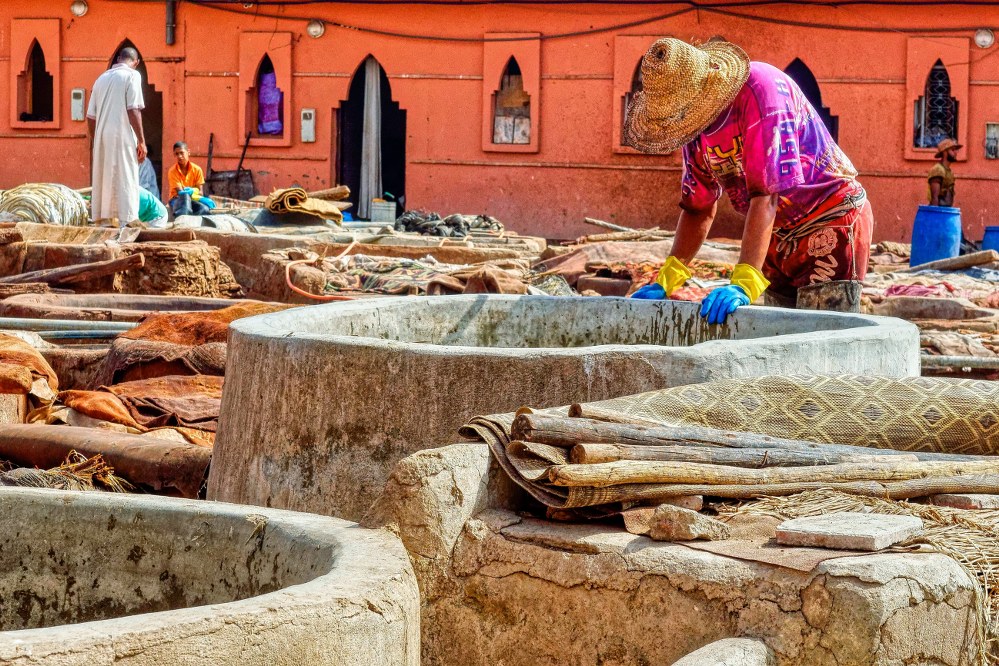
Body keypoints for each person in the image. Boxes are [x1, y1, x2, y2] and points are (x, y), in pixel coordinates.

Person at [624, 38, 873, 324]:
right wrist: (667, 279)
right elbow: (698, 208)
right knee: (782, 342)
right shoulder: (692, 128)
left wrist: (744, 280)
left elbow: (766, 195)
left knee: (823, 340)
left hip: (829, 219)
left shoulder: (760, 91)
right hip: (774, 236)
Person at [87, 47, 146, 226]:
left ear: (118, 58)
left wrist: (95, 140)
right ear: (136, 63)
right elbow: (133, 109)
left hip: (102, 135)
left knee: (104, 177)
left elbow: (90, 117)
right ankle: (128, 222)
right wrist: (142, 141)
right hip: (123, 135)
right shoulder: (133, 76)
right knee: (126, 176)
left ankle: (104, 223)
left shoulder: (100, 79)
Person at [167, 141, 211, 216]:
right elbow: (180, 193)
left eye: (182, 153)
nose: (179, 156)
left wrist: (193, 191)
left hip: (193, 199)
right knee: (185, 205)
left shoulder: (197, 169)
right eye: (176, 154)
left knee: (204, 209)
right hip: (176, 200)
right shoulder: (172, 171)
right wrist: (192, 191)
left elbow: (201, 192)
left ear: (188, 152)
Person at [928, 138, 959, 207]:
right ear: (945, 152)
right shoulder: (938, 170)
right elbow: (934, 198)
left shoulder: (948, 171)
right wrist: (936, 215)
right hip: (939, 213)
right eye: (953, 150)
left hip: (946, 212)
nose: (956, 152)